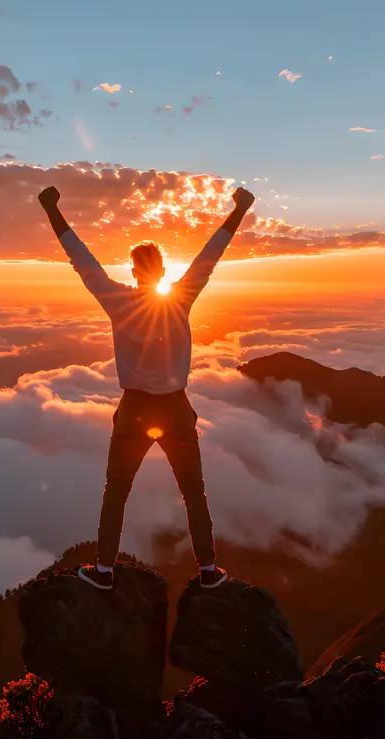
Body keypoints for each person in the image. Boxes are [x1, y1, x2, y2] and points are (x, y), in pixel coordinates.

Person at [38, 184, 255, 590]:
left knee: (116, 491)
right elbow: (211, 256)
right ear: (164, 271)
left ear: (135, 271)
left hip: (135, 410)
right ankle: (208, 570)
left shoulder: (117, 301)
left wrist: (52, 209)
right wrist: (238, 210)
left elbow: (81, 260)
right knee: (194, 493)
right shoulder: (181, 299)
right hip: (175, 408)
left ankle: (104, 571)